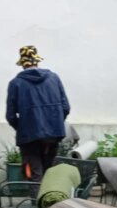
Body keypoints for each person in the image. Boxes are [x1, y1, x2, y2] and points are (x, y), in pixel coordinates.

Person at [5, 45, 70, 184]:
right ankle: (50, 197)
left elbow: (10, 116)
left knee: (35, 175)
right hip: (53, 134)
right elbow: (65, 108)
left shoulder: (15, 84)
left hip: (29, 136)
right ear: (37, 61)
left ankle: (37, 198)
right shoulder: (54, 78)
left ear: (23, 64)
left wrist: (22, 127)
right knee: (49, 173)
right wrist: (54, 123)